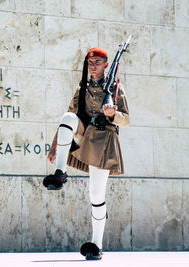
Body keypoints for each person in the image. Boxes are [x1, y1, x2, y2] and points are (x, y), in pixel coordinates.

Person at [43, 47, 129, 260]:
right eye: (90, 62)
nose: (93, 66)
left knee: (96, 195)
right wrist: (55, 146)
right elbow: (71, 114)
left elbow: (126, 120)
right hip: (85, 134)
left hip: (103, 142)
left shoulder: (116, 88)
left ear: (106, 65)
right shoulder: (83, 87)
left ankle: (96, 245)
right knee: (68, 118)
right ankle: (60, 173)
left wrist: (113, 114)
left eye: (98, 62)